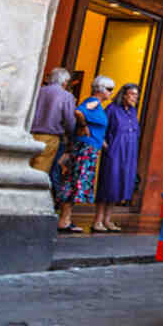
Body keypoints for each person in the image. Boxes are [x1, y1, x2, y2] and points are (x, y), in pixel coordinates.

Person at [56, 76, 115, 234]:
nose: (111, 93)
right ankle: (64, 219)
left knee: (75, 181)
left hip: (89, 146)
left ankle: (65, 219)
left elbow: (94, 125)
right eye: (109, 89)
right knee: (76, 181)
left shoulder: (99, 106)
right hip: (85, 148)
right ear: (101, 89)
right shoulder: (94, 102)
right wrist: (83, 126)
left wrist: (100, 140)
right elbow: (78, 112)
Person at [93, 83, 140, 232]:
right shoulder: (112, 110)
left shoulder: (132, 111)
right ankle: (98, 221)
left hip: (129, 153)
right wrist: (107, 146)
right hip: (114, 152)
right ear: (124, 95)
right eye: (132, 94)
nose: (135, 98)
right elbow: (100, 129)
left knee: (119, 185)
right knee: (108, 184)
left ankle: (108, 220)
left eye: (136, 95)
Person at [29, 69, 75, 180]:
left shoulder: (38, 91)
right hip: (50, 137)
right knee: (40, 171)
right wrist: (71, 137)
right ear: (64, 82)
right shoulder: (66, 96)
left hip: (31, 135)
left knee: (27, 166)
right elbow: (69, 120)